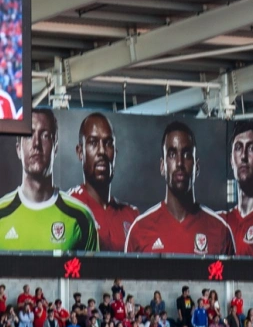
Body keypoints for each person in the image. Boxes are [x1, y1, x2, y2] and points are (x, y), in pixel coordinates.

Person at [125, 120, 234, 255]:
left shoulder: (221, 230)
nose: (179, 163)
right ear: (162, 166)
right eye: (172, 154)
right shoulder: (139, 230)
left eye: (187, 154)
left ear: (197, 167)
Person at [0, 109, 98, 250]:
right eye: (29, 135)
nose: (36, 144)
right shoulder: (2, 213)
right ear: (18, 149)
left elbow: (91, 265)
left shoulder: (81, 217)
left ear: (55, 148)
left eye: (45, 135)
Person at [68, 113, 139, 251]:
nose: (102, 151)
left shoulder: (132, 216)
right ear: (80, 152)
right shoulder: (69, 208)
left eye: (108, 143)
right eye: (93, 143)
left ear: (115, 153)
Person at [222, 121, 253, 256]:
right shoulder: (220, 221)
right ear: (231, 160)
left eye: (251, 148)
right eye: (238, 148)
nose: (243, 156)